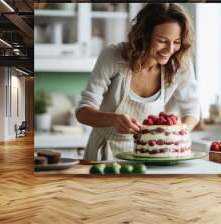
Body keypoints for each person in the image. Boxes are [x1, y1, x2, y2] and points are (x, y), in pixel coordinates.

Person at [76, 3, 200, 160]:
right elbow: (82, 113)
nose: (169, 49)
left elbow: (192, 111)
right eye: (162, 40)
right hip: (105, 154)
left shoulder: (180, 65)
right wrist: (114, 119)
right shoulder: (113, 57)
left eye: (176, 42)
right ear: (144, 35)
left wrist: (174, 135)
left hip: (153, 157)